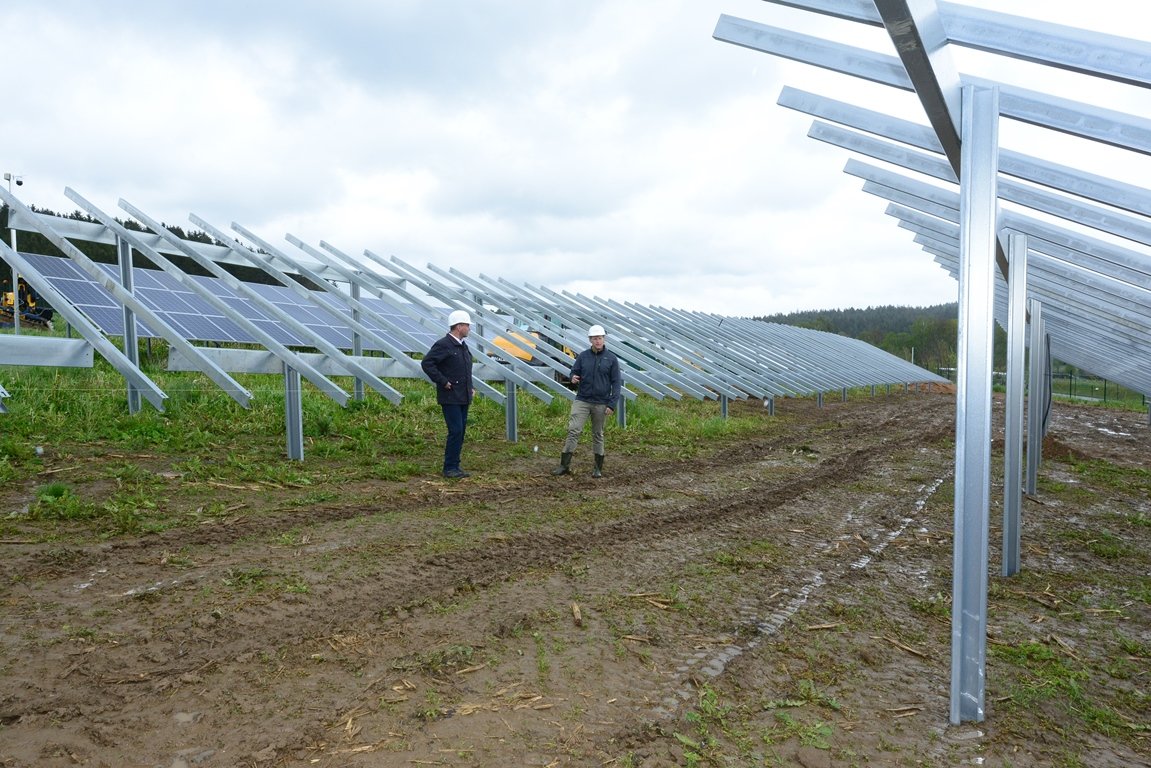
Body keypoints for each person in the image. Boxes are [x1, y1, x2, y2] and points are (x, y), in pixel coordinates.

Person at [552, 324, 622, 478]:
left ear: (604, 339)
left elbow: (616, 383)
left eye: (600, 338)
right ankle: (564, 466)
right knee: (573, 430)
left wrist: (612, 404)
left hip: (601, 402)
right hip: (582, 400)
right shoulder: (583, 356)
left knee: (598, 434)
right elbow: (573, 373)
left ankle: (598, 468)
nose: (598, 341)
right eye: (595, 338)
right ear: (590, 340)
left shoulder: (611, 359)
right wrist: (573, 378)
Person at [421, 309, 475, 478]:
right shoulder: (444, 344)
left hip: (463, 395)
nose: (469, 328)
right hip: (451, 396)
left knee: (461, 431)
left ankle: (455, 466)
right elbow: (427, 363)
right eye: (467, 325)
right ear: (459, 326)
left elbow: (466, 370)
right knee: (456, 430)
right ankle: (449, 467)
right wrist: (443, 381)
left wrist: (470, 387)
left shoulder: (462, 346)